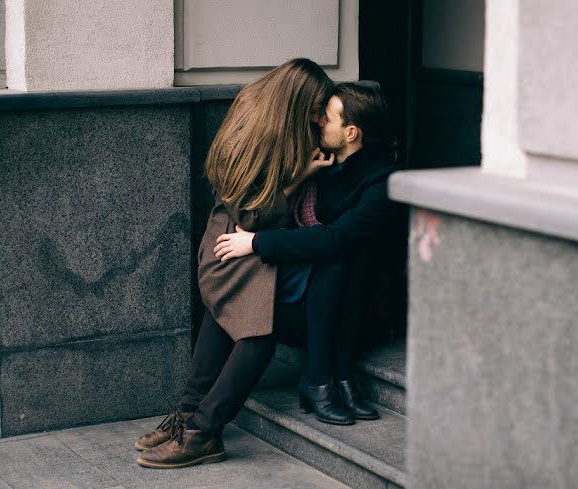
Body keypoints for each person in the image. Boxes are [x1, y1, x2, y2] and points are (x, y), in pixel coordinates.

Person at [134, 58, 336, 469]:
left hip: (238, 244)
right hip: (236, 240)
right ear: (296, 102)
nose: (318, 119)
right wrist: (299, 178)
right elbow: (255, 213)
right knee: (256, 328)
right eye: (316, 109)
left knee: (237, 314)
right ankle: (203, 431)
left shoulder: (258, 110)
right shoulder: (267, 133)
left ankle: (192, 419)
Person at [213, 82, 403, 426]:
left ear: (350, 132)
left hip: (366, 314)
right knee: (233, 294)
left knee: (344, 252)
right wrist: (303, 175)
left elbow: (335, 239)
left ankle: (323, 377)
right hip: (326, 303)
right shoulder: (326, 167)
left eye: (326, 119)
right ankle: (334, 379)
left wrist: (256, 242)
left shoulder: (383, 182)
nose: (318, 124)